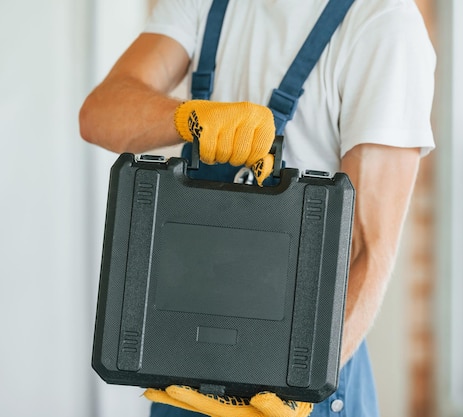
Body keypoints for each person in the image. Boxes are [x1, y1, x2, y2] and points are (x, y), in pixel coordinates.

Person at [79, 0, 435, 416]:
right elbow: (100, 113)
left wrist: (294, 391)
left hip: (300, 379)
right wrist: (191, 118)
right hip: (189, 376)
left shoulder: (382, 22)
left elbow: (369, 252)